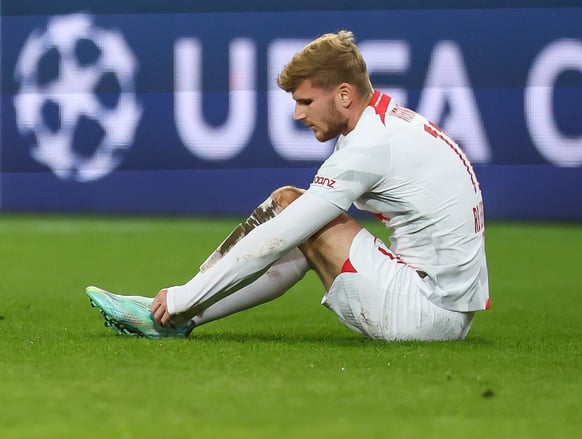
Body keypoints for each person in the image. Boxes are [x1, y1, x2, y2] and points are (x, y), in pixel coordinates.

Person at [86, 29, 489, 342]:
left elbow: (279, 236)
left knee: (289, 213)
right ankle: (182, 315)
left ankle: (177, 311)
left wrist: (182, 295)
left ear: (344, 95)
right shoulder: (386, 124)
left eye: (306, 101)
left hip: (424, 314)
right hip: (445, 307)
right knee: (292, 208)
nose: (297, 114)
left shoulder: (370, 145)